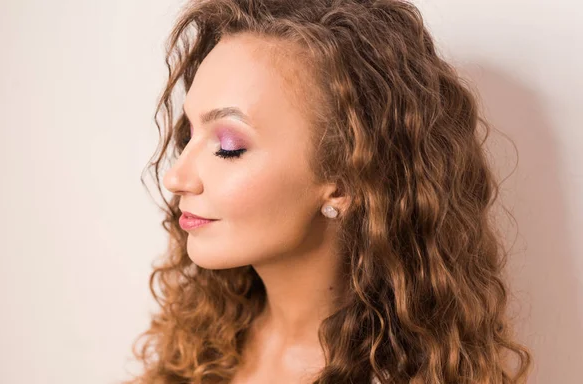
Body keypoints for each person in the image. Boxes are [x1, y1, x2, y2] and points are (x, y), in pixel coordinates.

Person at [124, 0, 532, 383]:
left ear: (345, 182)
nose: (176, 177)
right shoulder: (200, 340)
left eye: (228, 147)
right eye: (188, 134)